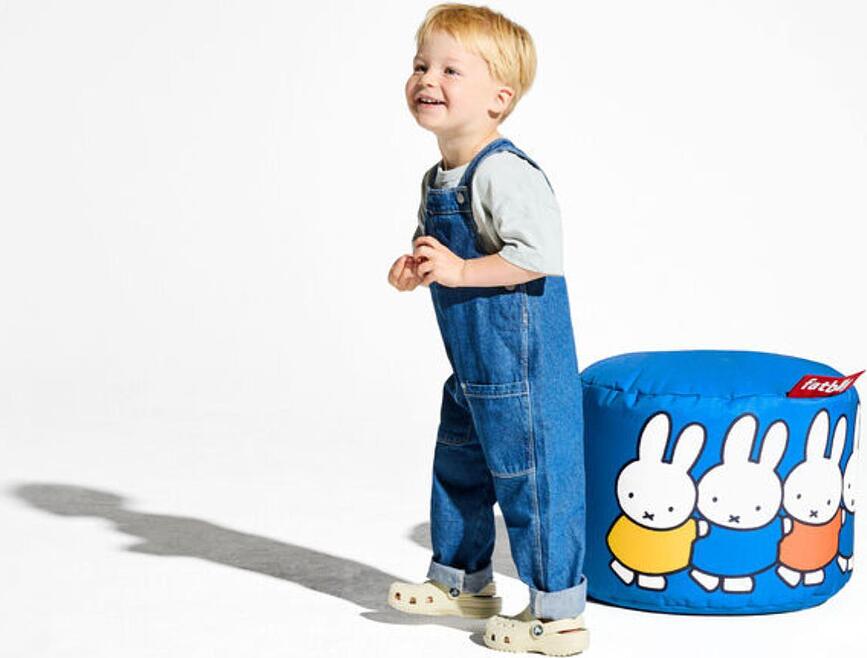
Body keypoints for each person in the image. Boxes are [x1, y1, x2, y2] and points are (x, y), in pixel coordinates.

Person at [386, 4, 589, 655]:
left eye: (450, 70)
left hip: (520, 370)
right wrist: (421, 269)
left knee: (534, 485)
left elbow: (536, 256)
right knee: (458, 472)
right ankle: (462, 582)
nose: (427, 78)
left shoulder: (502, 171)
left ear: (498, 99)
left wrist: (460, 270)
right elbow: (451, 260)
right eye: (421, 64)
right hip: (474, 370)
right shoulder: (438, 177)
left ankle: (557, 613)